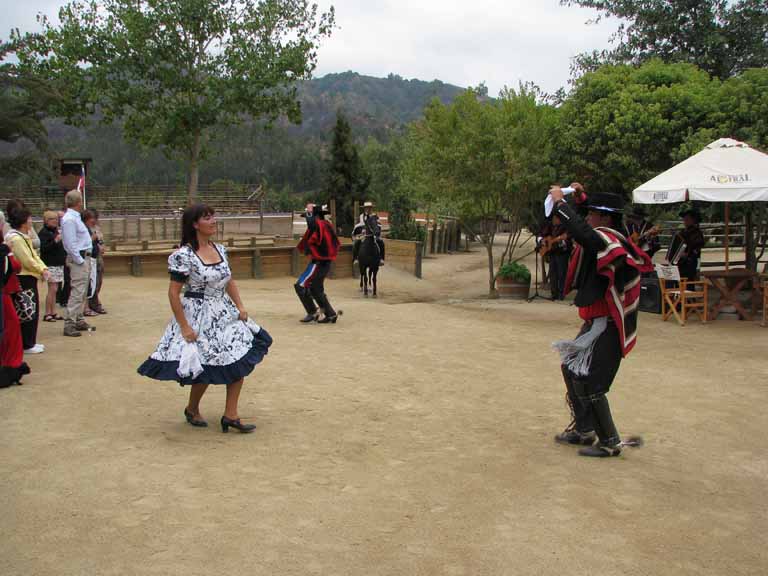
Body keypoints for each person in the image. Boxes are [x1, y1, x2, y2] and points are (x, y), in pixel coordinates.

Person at [137, 204, 272, 433]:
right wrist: (184, 326)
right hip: (198, 316)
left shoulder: (220, 249)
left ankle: (231, 415)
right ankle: (192, 408)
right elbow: (173, 293)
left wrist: (240, 306)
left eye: (213, 217)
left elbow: (229, 280)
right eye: (207, 218)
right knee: (205, 366)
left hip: (224, 312)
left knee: (237, 359)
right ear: (194, 224)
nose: (213, 221)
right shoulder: (184, 255)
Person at [549, 184, 653, 458]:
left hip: (609, 323)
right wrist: (580, 197)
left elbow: (582, 233)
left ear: (605, 218)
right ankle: (584, 429)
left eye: (593, 213)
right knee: (571, 370)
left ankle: (609, 441)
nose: (588, 218)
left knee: (593, 384)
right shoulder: (607, 235)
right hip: (597, 320)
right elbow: (584, 228)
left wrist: (561, 204)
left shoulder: (609, 239)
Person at [4, 207, 50, 354]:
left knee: (32, 308)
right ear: (23, 222)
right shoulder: (16, 238)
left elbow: (34, 256)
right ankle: (27, 343)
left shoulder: (23, 236)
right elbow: (27, 260)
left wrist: (43, 268)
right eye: (29, 219)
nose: (31, 221)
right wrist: (41, 269)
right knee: (26, 309)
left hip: (30, 276)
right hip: (23, 277)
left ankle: (30, 341)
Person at [295, 203, 341, 324]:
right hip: (324, 262)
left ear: (315, 215)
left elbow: (312, 225)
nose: (307, 219)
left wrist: (310, 212)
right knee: (316, 289)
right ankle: (330, 314)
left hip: (319, 263)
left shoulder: (320, 225)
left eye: (309, 216)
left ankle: (312, 312)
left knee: (300, 285)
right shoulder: (326, 225)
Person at [0, 211, 31, 388]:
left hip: (6, 289)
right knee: (10, 328)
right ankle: (11, 363)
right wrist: (9, 252)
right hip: (5, 291)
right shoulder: (6, 244)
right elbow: (15, 266)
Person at [60, 190, 95, 337]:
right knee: (77, 291)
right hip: (79, 258)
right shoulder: (69, 219)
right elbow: (69, 243)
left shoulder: (75, 217)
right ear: (78, 202)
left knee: (83, 290)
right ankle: (69, 322)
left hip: (84, 257)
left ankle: (78, 318)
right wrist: (79, 260)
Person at [38, 211, 67, 322]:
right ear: (46, 221)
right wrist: (55, 241)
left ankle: (53, 311)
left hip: (58, 263)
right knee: (52, 289)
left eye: (56, 219)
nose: (55, 221)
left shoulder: (55, 231)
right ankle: (47, 313)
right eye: (51, 219)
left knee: (55, 289)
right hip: (50, 264)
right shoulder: (44, 233)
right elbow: (44, 248)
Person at [543, 213, 572, 301]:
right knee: (553, 273)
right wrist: (547, 241)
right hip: (553, 253)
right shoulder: (551, 227)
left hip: (562, 253)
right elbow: (545, 236)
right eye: (553, 219)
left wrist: (559, 240)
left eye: (555, 219)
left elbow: (567, 239)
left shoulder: (565, 227)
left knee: (562, 273)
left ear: (559, 219)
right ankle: (554, 294)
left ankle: (561, 294)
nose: (553, 220)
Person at [676, 207, 705, 281]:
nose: (685, 221)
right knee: (680, 281)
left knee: (688, 282)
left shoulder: (697, 232)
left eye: (687, 219)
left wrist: (687, 254)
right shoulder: (683, 232)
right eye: (684, 220)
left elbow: (698, 247)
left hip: (690, 262)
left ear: (693, 220)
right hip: (681, 262)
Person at [352, 201, 385, 266]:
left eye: (369, 208)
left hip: (374, 234)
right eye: (366, 208)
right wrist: (361, 231)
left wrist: (376, 232)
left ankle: (381, 259)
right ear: (364, 208)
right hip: (364, 234)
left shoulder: (375, 216)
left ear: (371, 208)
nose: (368, 209)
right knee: (356, 242)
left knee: (381, 242)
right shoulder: (361, 216)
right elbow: (359, 225)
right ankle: (355, 259)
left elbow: (379, 225)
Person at [87, 209, 107, 314]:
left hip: (98, 256)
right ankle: (94, 303)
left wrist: (102, 246)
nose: (94, 220)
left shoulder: (97, 228)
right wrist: (92, 238)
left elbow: (101, 241)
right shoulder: (85, 229)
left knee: (99, 280)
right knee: (92, 281)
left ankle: (94, 300)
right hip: (90, 257)